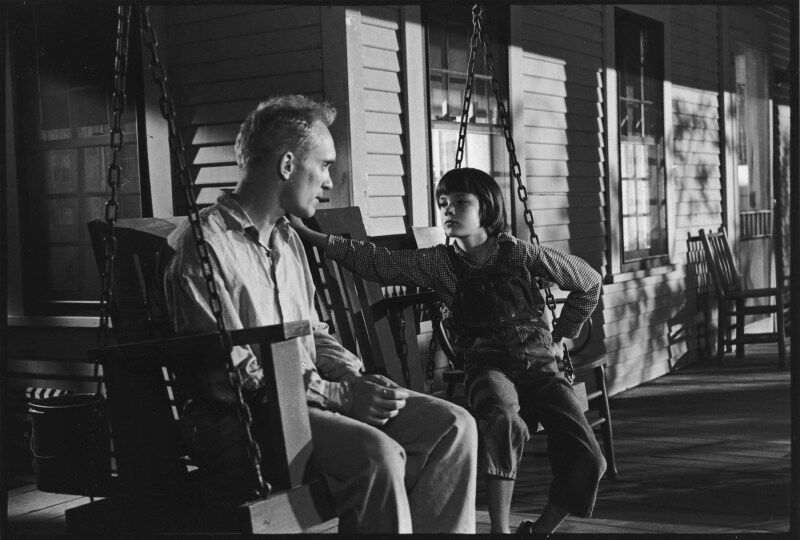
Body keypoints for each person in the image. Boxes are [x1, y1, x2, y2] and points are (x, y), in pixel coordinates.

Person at [164, 95, 477, 534]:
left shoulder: (287, 239)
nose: (330, 181)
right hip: (246, 419)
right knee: (380, 455)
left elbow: (315, 332)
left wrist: (353, 378)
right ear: (288, 165)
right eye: (325, 164)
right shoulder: (204, 249)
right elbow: (235, 374)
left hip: (310, 402)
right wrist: (341, 397)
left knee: (453, 425)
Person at [293, 167, 606, 534]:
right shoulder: (438, 263)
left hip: (539, 366)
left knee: (588, 455)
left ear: (487, 207)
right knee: (503, 418)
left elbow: (588, 282)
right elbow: (380, 263)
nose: (449, 211)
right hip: (489, 367)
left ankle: (541, 531)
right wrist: (313, 237)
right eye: (443, 203)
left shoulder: (520, 253)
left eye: (461, 202)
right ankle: (500, 530)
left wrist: (562, 335)